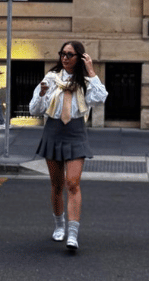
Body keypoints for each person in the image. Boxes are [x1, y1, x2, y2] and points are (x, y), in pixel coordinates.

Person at [29, 41, 108, 250]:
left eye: (70, 54)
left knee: (72, 183)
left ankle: (73, 234)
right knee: (57, 185)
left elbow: (100, 99)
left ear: (79, 58)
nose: (65, 57)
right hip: (53, 132)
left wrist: (91, 71)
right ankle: (59, 226)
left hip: (75, 133)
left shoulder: (86, 82)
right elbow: (34, 110)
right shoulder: (51, 78)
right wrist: (42, 93)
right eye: (62, 53)